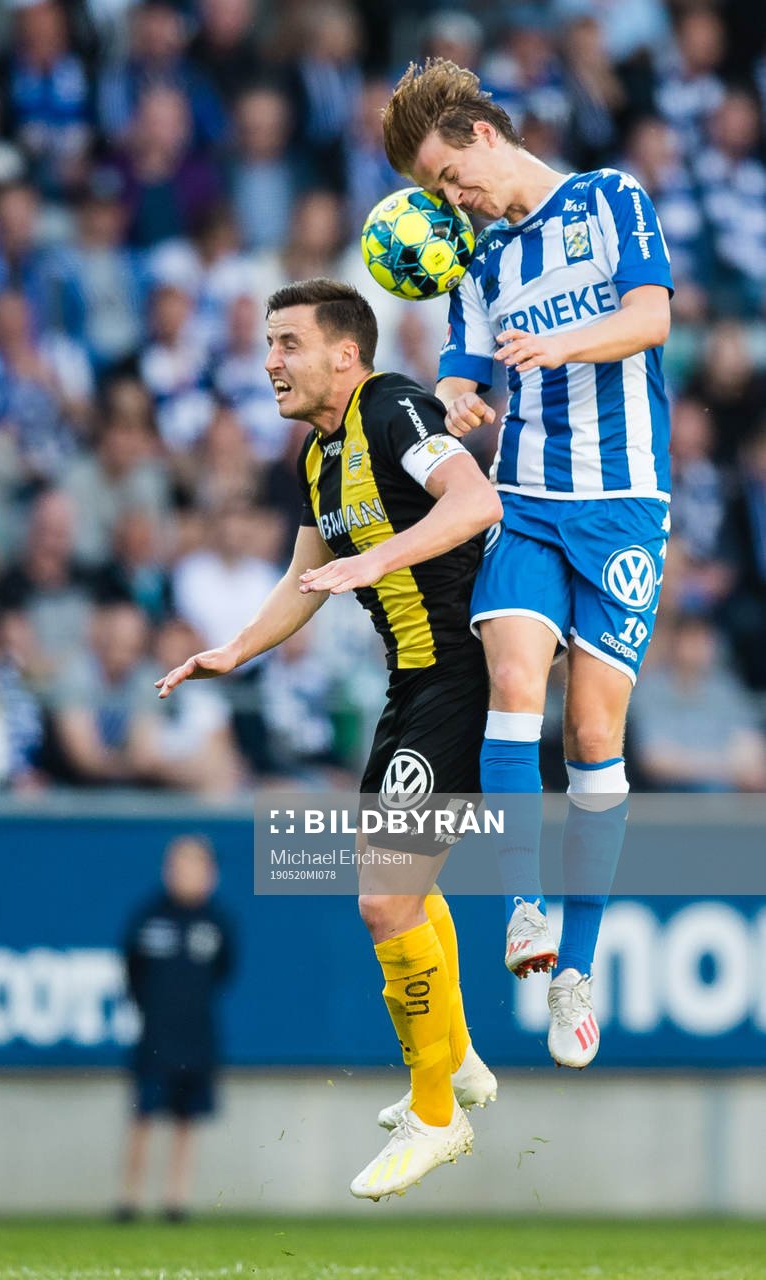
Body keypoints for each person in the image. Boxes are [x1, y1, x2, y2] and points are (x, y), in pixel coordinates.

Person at [156, 278, 502, 1201]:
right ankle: (455, 1060)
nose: (271, 361)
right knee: (401, 891)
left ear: (345, 354)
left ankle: (437, 1112)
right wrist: (234, 650)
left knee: (384, 902)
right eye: (267, 344)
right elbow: (304, 576)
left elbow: (474, 502)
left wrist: (376, 559)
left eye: (288, 343)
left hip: (461, 677)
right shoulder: (318, 453)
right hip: (411, 686)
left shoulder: (392, 407)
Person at [382, 60, 674, 1069]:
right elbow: (458, 370)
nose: (450, 199)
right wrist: (457, 398)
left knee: (591, 732)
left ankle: (575, 971)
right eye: (432, 193)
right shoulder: (478, 259)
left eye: (446, 176)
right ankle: (521, 907)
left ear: (479, 135)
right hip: (530, 502)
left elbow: (651, 317)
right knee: (513, 680)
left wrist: (565, 346)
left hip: (624, 505)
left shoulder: (607, 199)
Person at [119, 835, 235, 1220]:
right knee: (143, 1113)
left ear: (211, 874)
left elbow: (224, 970)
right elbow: (132, 969)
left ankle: (176, 1198)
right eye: (179, 866)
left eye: (196, 866)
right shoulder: (149, 918)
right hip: (155, 1036)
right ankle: (130, 1198)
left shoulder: (216, 922)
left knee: (187, 1117)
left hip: (197, 1035)